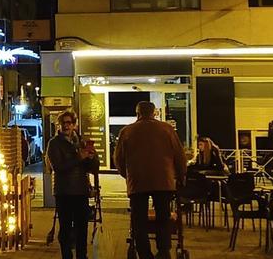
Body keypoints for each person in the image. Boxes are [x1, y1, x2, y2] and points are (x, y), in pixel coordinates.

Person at [114, 101, 187, 259]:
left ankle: (144, 252)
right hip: (164, 180)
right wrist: (180, 176)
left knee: (138, 219)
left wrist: (127, 175)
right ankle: (163, 250)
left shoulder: (126, 131)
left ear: (137, 113)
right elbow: (179, 155)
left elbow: (118, 159)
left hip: (137, 181)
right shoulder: (167, 129)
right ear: (154, 112)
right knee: (163, 216)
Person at [45, 110, 99, 259]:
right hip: (64, 192)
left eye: (69, 122)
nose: (66, 126)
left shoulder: (80, 141)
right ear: (59, 125)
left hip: (81, 191)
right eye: (63, 123)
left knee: (82, 228)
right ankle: (67, 255)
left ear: (74, 125)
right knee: (66, 228)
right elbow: (58, 167)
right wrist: (79, 158)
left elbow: (93, 167)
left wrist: (92, 157)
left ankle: (82, 255)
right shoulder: (54, 143)